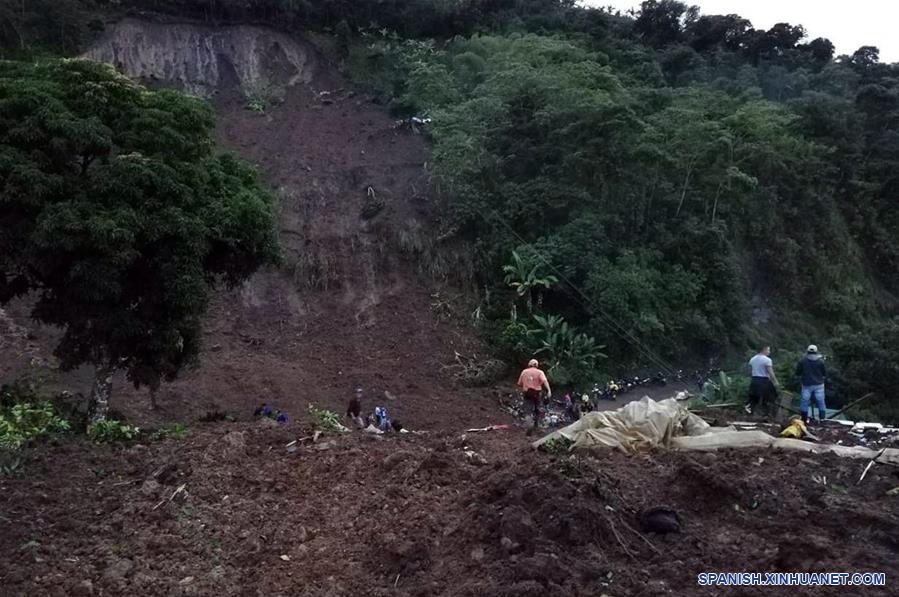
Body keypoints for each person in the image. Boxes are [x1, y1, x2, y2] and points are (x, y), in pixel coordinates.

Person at [796, 345, 827, 424]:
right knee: (820, 401)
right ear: (816, 352)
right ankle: (822, 419)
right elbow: (824, 374)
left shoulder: (802, 361)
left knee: (805, 401)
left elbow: (798, 373)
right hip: (819, 385)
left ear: (807, 351)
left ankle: (804, 419)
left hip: (807, 385)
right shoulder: (820, 362)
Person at [517, 358, 551, 428]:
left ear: (529, 365)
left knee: (527, 408)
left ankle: (528, 420)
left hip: (527, 392)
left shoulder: (524, 372)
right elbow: (545, 381)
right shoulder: (540, 372)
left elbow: (519, 383)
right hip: (537, 392)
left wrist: (526, 383)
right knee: (537, 407)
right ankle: (537, 424)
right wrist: (549, 390)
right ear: (537, 365)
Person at [745, 345, 779, 415]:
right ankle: (767, 413)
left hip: (754, 380)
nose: (769, 352)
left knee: (753, 398)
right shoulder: (767, 360)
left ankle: (749, 413)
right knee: (770, 397)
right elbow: (770, 372)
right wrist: (775, 381)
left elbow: (750, 370)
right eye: (768, 350)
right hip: (764, 380)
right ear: (764, 350)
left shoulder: (753, 359)